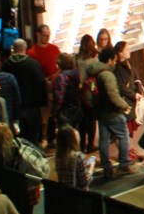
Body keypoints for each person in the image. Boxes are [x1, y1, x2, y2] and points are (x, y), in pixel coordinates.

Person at [85, 45, 133, 177]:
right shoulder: (107, 75)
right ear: (110, 60)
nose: (116, 62)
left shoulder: (95, 72)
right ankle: (124, 164)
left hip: (100, 111)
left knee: (104, 139)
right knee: (123, 135)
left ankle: (107, 167)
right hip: (112, 112)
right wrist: (124, 106)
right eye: (115, 60)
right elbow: (113, 95)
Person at [2, 39, 45, 145]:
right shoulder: (33, 64)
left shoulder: (6, 65)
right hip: (32, 106)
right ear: (25, 48)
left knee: (17, 138)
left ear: (13, 48)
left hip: (13, 107)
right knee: (32, 137)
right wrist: (42, 104)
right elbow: (40, 84)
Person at [54, 124, 93, 189]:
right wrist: (91, 168)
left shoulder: (58, 156)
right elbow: (84, 182)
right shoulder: (78, 157)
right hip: (77, 195)